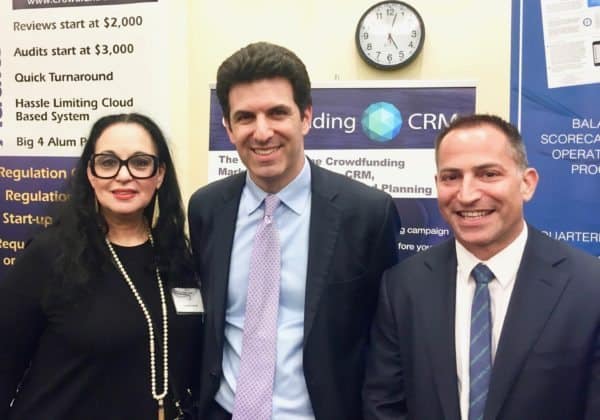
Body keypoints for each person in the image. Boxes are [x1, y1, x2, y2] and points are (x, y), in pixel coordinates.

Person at [188, 41, 400, 420]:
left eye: (277, 113)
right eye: (245, 117)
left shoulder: (367, 213)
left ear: (305, 117)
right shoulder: (207, 208)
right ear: (228, 128)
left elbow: (385, 340)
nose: (262, 132)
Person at [362, 114, 600, 420]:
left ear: (527, 184)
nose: (467, 194)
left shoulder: (588, 287)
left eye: (488, 174)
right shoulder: (403, 286)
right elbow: (384, 405)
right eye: (451, 177)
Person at [0, 113, 203, 420]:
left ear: (159, 174)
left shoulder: (178, 257)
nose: (123, 175)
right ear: (90, 174)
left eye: (140, 162)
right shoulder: (49, 255)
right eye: (108, 163)